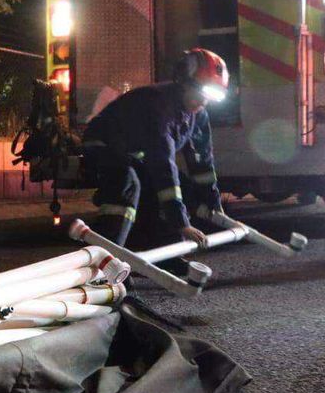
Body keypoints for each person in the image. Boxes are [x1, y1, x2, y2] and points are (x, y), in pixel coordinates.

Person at [81, 48, 230, 249]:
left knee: (181, 188)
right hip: (102, 143)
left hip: (134, 153)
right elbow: (162, 164)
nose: (203, 102)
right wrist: (182, 224)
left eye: (209, 96)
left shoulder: (198, 115)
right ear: (183, 84)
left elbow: (203, 163)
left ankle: (165, 256)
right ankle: (105, 257)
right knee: (128, 185)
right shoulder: (160, 107)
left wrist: (214, 205)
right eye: (199, 93)